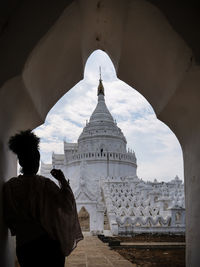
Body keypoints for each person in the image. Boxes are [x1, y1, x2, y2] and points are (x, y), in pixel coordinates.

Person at [3, 130, 83, 267]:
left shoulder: (10, 186)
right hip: (48, 246)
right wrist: (63, 181)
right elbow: (67, 204)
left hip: (24, 246)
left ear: (21, 162)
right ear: (36, 163)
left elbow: (10, 219)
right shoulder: (45, 184)